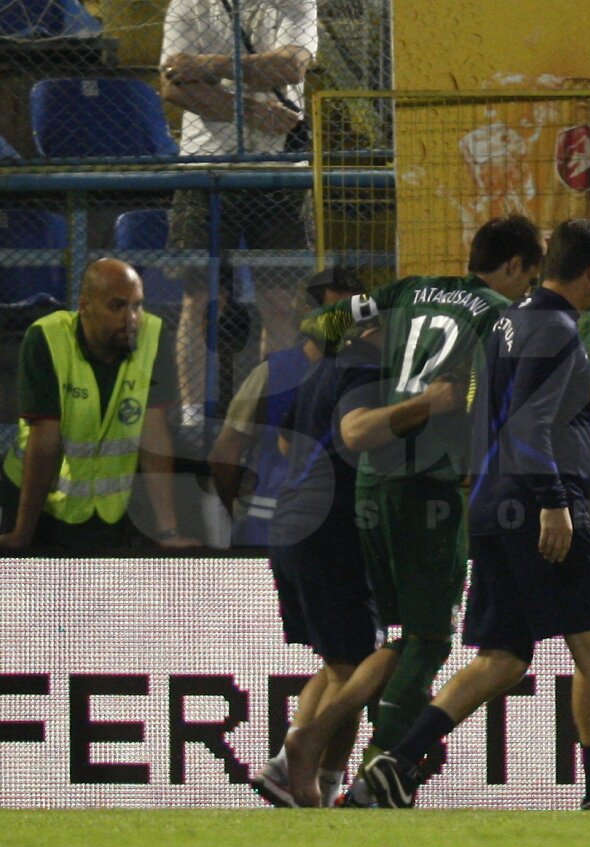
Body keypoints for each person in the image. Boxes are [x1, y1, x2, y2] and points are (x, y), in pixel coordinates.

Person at [361, 218, 590, 811]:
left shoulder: (511, 321)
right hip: (537, 510)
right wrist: (556, 502)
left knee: (504, 658)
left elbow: (501, 415)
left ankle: (397, 761)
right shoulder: (560, 329)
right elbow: (528, 425)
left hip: (491, 506)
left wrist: (576, 451)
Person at [280, 216, 544, 807]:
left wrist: (381, 351)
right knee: (428, 637)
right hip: (429, 487)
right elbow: (496, 398)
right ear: (513, 266)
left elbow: (319, 324)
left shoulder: (408, 290)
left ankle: (335, 748)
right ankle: (364, 762)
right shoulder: (499, 314)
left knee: (399, 638)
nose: (529, 290)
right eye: (529, 277)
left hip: (372, 484)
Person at [160, 0, 319, 436]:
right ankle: (194, 417)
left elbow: (289, 68)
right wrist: (251, 110)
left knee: (280, 302)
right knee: (200, 298)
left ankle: (274, 409)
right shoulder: (188, 5)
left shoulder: (296, 3)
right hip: (206, 167)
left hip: (279, 170)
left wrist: (204, 66)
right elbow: (173, 86)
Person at [250, 330, 386, 808]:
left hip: (292, 521)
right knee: (354, 668)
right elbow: (359, 434)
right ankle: (307, 773)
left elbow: (286, 440)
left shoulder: (323, 370)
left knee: (338, 665)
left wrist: (320, 466)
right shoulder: (370, 372)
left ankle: (294, 775)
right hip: (329, 529)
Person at [0, 258, 196, 551]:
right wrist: (22, 533)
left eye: (137, 306)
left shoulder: (153, 336)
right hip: (36, 506)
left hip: (106, 512)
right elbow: (44, 443)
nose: (131, 318)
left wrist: (168, 532)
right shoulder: (46, 338)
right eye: (117, 306)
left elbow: (154, 435)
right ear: (85, 306)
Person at [208, 268, 363, 546]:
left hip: (342, 528)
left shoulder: (366, 374)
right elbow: (224, 455)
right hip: (270, 531)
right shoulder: (272, 375)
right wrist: (238, 514)